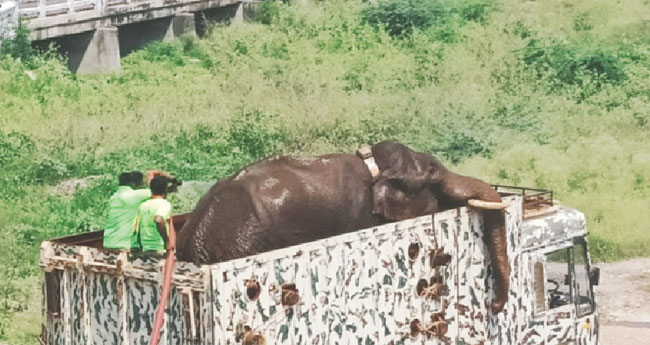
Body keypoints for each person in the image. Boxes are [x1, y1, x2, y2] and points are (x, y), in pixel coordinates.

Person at [103, 171, 152, 250]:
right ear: (133, 184)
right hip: (125, 244)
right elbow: (159, 192)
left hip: (108, 242)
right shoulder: (134, 195)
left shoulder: (114, 197)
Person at [132, 176, 173, 252]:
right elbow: (158, 219)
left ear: (151, 189)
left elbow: (136, 227)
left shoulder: (142, 206)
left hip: (145, 248)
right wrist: (167, 242)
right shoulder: (164, 204)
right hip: (159, 248)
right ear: (165, 190)